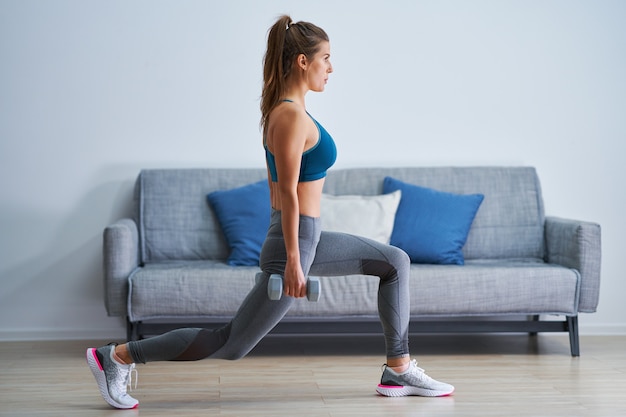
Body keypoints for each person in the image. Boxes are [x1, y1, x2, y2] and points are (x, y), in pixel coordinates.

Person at [86, 15, 454, 410]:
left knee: (395, 261)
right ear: (301, 61)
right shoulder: (290, 116)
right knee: (230, 344)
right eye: (325, 58)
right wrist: (295, 260)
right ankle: (118, 356)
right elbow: (288, 194)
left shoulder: (291, 111)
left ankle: (397, 367)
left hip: (306, 237)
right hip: (293, 242)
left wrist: (302, 250)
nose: (331, 68)